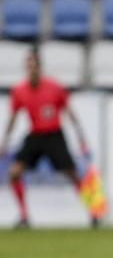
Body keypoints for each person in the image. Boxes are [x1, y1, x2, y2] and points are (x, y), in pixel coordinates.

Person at [0, 47, 99, 229]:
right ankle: (24, 216)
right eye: (28, 66)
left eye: (34, 66)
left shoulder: (54, 87)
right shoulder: (19, 91)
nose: (31, 70)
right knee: (14, 173)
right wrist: (4, 143)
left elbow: (70, 113)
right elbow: (13, 119)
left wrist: (81, 139)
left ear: (40, 67)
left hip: (54, 135)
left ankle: (93, 211)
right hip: (35, 135)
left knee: (73, 174)